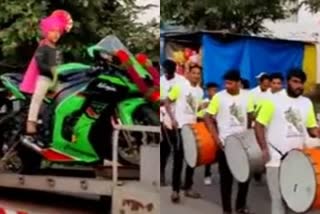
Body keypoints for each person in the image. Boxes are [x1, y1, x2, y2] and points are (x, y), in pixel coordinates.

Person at [254, 68, 319, 214]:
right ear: (287, 82)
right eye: (295, 82)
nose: (299, 86)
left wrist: (317, 132)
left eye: (301, 83)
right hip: (275, 158)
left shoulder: (306, 103)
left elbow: (311, 127)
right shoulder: (272, 100)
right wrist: (264, 149)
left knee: (296, 200)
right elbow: (259, 125)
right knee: (278, 201)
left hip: (298, 159)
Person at [204, 69, 254, 214]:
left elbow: (250, 116)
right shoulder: (219, 97)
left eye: (230, 83)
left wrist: (249, 134)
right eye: (226, 83)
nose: (227, 86)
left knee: (244, 178)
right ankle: (227, 210)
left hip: (243, 145)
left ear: (239, 83)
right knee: (226, 180)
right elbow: (208, 117)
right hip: (225, 145)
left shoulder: (248, 96)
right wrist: (215, 136)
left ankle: (240, 207)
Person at [22, 16, 65, 147]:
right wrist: (52, 70)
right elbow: (40, 64)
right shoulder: (43, 46)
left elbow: (62, 65)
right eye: (53, 31)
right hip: (45, 78)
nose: (56, 34)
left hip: (56, 81)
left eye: (59, 32)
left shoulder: (57, 50)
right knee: (37, 98)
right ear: (47, 32)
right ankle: (31, 123)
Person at [165, 64, 203, 203]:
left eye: (198, 73)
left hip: (193, 129)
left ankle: (188, 187)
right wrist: (173, 119)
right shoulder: (180, 86)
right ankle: (175, 190)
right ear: (188, 74)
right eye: (194, 73)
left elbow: (196, 110)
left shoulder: (199, 91)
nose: (196, 76)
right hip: (180, 128)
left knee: (192, 159)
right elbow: (167, 102)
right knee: (179, 159)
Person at [160, 59, 185, 186]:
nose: (167, 73)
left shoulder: (181, 81)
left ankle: (177, 179)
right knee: (164, 149)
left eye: (170, 71)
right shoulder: (161, 81)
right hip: (164, 118)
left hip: (179, 118)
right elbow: (161, 101)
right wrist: (165, 101)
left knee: (178, 150)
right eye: (166, 70)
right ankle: (161, 174)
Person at [198, 82, 218, 185]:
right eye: (211, 90)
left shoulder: (220, 101)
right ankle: (207, 174)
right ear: (207, 91)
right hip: (207, 131)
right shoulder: (204, 103)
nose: (214, 92)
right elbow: (199, 116)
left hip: (219, 130)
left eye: (215, 90)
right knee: (210, 153)